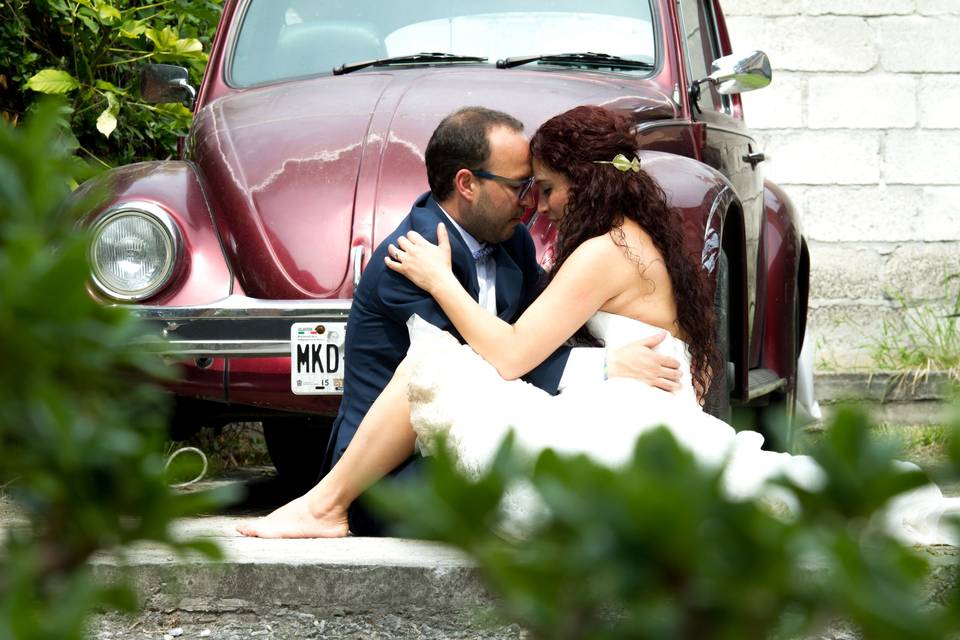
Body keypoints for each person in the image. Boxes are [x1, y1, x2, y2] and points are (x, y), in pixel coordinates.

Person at [237, 106, 683, 539]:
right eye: (519, 186)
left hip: (491, 429)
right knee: (438, 366)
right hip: (396, 472)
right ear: (467, 184)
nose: (532, 204)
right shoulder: (411, 258)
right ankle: (325, 505)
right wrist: (604, 367)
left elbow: (535, 340)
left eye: (540, 187)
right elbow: (479, 365)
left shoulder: (517, 246)